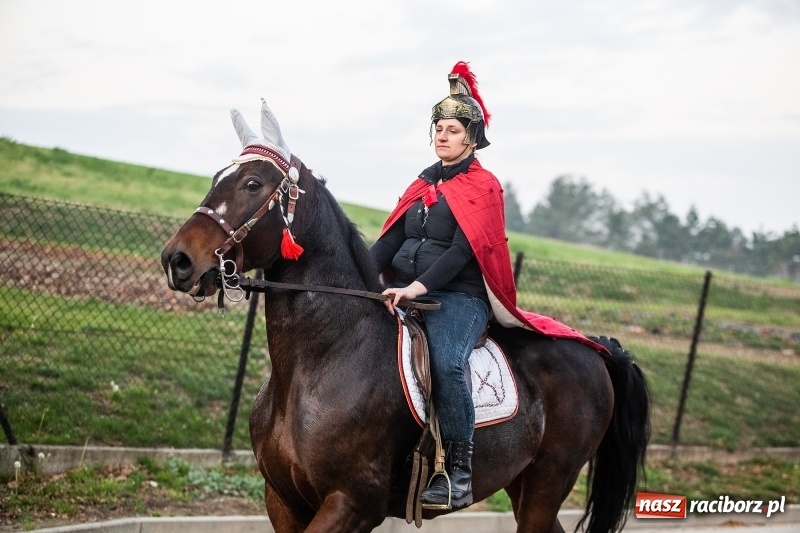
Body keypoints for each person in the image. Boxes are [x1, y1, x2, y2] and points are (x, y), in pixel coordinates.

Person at [371, 61, 607, 510]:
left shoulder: (484, 187)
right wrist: (359, 277)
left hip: (458, 299)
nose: (442, 136)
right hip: (404, 290)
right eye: (438, 129)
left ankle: (457, 471)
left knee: (446, 364)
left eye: (453, 130)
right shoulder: (422, 183)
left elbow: (462, 252)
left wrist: (417, 287)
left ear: (472, 138)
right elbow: (389, 242)